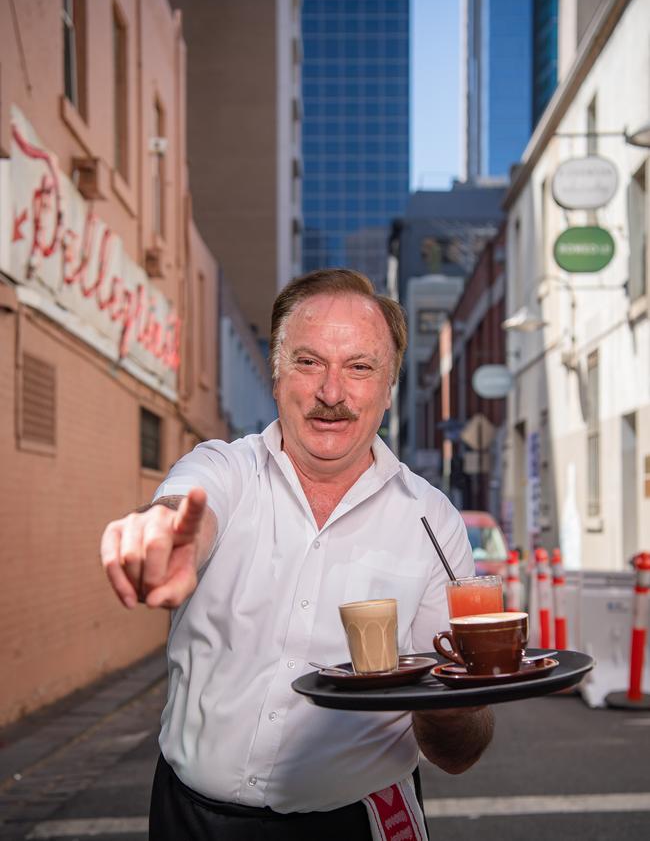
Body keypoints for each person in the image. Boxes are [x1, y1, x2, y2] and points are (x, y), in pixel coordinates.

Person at [100, 269, 494, 840]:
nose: (331, 393)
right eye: (309, 362)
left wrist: (454, 703)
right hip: (192, 821)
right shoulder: (223, 468)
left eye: (359, 368)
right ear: (276, 371)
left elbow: (459, 751)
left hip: (357, 822)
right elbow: (185, 510)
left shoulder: (433, 521)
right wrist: (163, 536)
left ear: (389, 389)